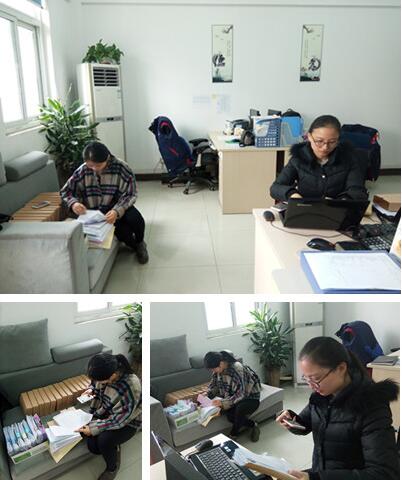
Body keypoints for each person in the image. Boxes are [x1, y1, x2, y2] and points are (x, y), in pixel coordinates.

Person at [276, 337, 399, 480]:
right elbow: (306, 423)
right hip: (322, 471)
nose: (311, 386)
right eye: (306, 379)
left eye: (315, 378)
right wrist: (292, 420)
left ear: (341, 368)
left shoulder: (371, 406)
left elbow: (383, 473)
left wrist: (317, 478)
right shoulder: (321, 395)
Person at [60, 141, 149, 264]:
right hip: (96, 213)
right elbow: (66, 191)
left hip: (117, 207)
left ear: (107, 157)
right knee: (123, 233)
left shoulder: (122, 168)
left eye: (98, 165)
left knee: (135, 218)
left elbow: (131, 193)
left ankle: (140, 242)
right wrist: (73, 203)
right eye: (90, 165)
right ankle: (134, 245)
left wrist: (116, 211)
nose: (94, 169)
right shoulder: (83, 170)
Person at [270, 115, 368, 202]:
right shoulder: (298, 158)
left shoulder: (348, 158)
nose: (325, 147)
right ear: (309, 137)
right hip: (305, 209)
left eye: (332, 142)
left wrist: (343, 201)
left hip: (338, 211)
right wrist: (292, 195)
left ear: (338, 139)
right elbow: (276, 187)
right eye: (319, 141)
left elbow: (357, 190)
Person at [76, 353, 142, 480]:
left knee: (104, 441)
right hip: (106, 410)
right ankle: (114, 443)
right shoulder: (105, 369)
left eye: (100, 381)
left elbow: (120, 419)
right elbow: (95, 383)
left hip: (128, 420)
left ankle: (112, 468)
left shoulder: (132, 386)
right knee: (93, 447)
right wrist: (91, 389)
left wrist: (93, 428)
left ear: (112, 376)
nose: (97, 383)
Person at [203, 350, 262, 442]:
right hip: (233, 396)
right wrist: (208, 394)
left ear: (221, 363)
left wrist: (223, 402)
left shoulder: (237, 369)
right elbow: (214, 385)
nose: (213, 371)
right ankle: (253, 425)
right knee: (230, 416)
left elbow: (241, 393)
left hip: (250, 396)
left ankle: (233, 435)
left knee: (239, 410)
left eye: (213, 369)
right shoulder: (218, 369)